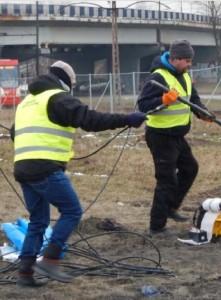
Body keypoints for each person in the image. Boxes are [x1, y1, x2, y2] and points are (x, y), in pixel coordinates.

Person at [12, 60, 146, 287]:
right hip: (44, 167)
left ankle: (25, 272)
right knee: (72, 211)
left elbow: (18, 133)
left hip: (23, 168)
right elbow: (90, 120)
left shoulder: (27, 102)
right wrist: (126, 119)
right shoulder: (58, 97)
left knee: (38, 220)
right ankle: (51, 259)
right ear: (67, 82)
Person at [137, 40, 215, 234]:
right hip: (160, 136)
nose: (189, 64)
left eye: (190, 60)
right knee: (166, 180)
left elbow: (193, 100)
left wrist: (203, 113)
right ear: (174, 59)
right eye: (186, 60)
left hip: (178, 135)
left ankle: (171, 207)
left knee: (190, 168)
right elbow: (143, 105)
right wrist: (163, 100)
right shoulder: (158, 77)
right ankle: (157, 225)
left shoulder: (186, 77)